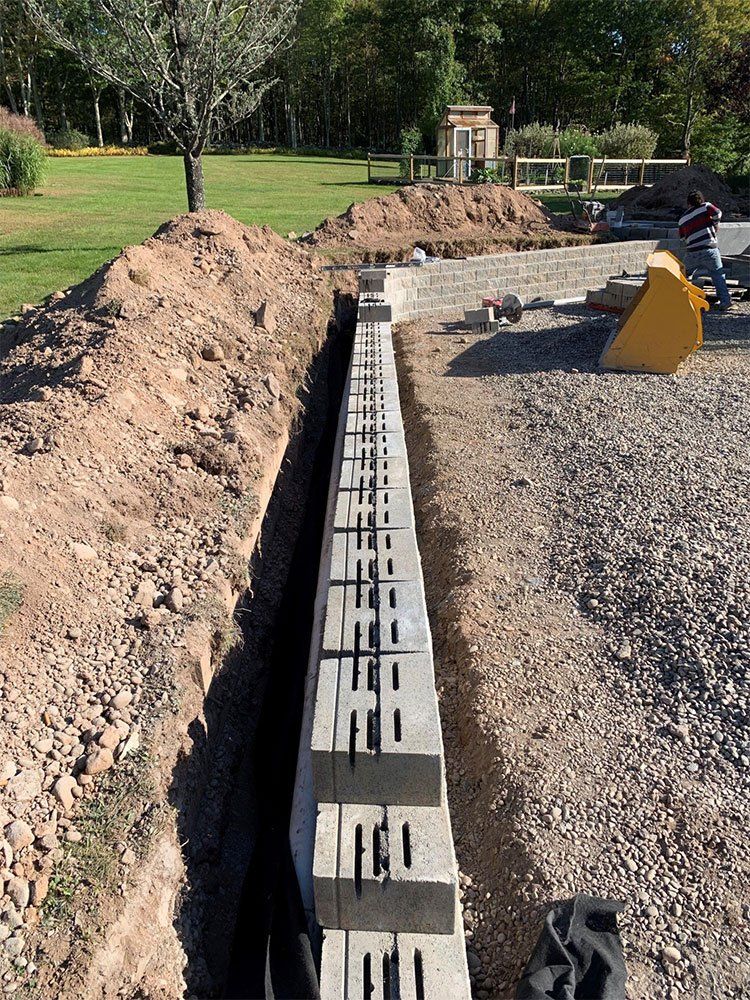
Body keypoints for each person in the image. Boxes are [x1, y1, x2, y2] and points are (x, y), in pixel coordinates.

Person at [678, 190, 732, 311]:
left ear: (688, 203)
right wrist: (715, 224)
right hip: (710, 249)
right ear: (701, 199)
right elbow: (718, 213)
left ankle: (684, 300)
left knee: (683, 275)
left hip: (692, 252)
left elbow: (682, 238)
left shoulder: (682, 219)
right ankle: (725, 301)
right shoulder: (706, 206)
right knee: (718, 275)